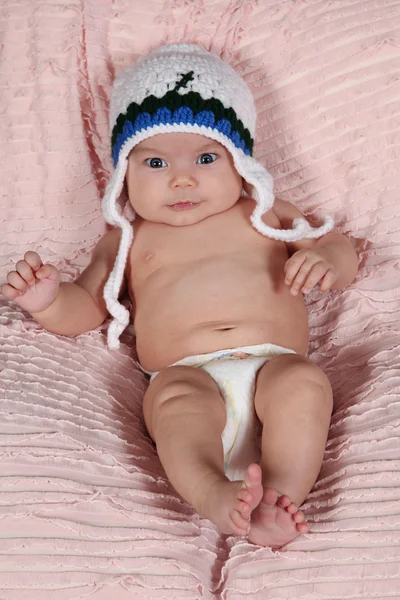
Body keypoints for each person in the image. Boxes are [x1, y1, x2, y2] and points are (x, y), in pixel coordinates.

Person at [1, 44, 358, 548]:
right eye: (155, 162)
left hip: (275, 363)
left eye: (207, 157)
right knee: (174, 404)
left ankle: (277, 499)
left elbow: (335, 246)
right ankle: (213, 492)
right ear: (124, 170)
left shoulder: (265, 211)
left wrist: (326, 262)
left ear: (240, 161)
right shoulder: (127, 235)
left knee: (304, 384)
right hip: (187, 374)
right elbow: (86, 305)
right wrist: (45, 300)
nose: (181, 178)